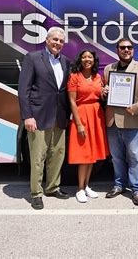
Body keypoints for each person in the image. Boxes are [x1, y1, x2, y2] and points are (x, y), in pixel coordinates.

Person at [18, 26, 71, 210]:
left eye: (61, 41)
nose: (58, 43)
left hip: (60, 116)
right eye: (54, 39)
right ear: (47, 40)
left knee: (57, 154)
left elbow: (65, 90)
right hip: (38, 116)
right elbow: (23, 90)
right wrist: (28, 116)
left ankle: (52, 187)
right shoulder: (33, 58)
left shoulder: (65, 61)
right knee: (38, 156)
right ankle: (36, 193)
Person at [103, 38, 138, 206]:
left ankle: (137, 189)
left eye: (129, 47)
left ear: (133, 50)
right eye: (123, 47)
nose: (126, 50)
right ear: (117, 50)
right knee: (117, 157)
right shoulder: (109, 69)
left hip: (133, 119)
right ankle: (119, 185)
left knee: (135, 157)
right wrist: (104, 92)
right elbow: (105, 91)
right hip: (112, 121)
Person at [67, 50, 109, 203]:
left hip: (96, 115)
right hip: (82, 115)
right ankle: (79, 188)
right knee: (83, 155)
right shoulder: (74, 77)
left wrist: (105, 92)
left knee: (92, 155)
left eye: (90, 57)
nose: (87, 59)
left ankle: (86, 186)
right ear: (80, 59)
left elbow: (100, 96)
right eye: (84, 57)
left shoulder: (98, 77)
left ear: (94, 60)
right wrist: (78, 124)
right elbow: (72, 101)